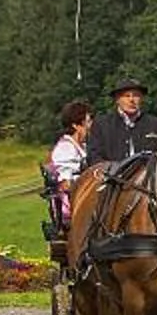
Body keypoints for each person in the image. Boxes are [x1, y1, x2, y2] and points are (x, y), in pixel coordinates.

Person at [85, 77, 157, 167]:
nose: (131, 100)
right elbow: (93, 156)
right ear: (117, 99)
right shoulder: (102, 125)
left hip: (148, 178)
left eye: (136, 95)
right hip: (111, 178)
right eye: (126, 96)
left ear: (142, 98)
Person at [42, 99, 91, 237]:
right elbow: (66, 184)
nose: (91, 125)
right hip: (73, 204)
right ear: (76, 125)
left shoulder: (84, 147)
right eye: (88, 121)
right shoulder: (65, 148)